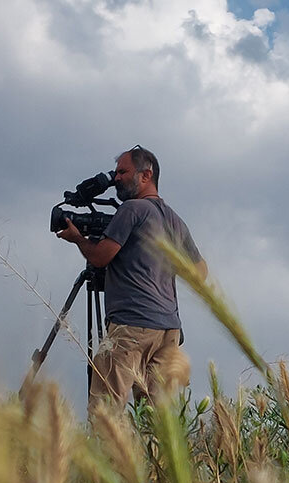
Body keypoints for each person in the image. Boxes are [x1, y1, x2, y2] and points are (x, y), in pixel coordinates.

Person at [56, 145, 207, 408]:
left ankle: (107, 451)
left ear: (146, 175)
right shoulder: (174, 220)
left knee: (106, 409)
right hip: (169, 330)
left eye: (123, 172)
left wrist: (77, 238)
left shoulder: (132, 210)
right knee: (157, 420)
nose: (116, 178)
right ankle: (153, 452)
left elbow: (101, 257)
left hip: (132, 325)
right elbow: (200, 273)